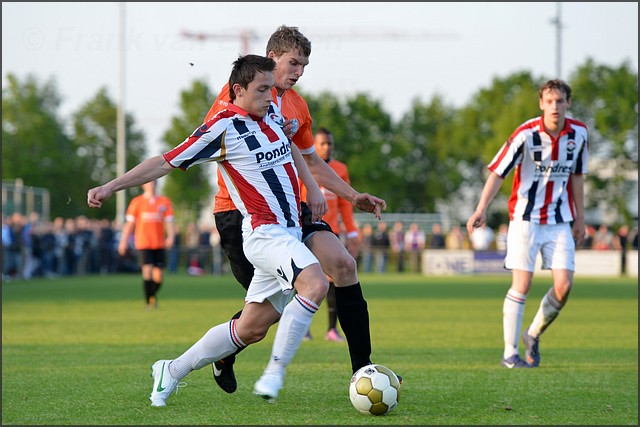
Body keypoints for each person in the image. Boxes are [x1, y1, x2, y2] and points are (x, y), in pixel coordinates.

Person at [87, 54, 334, 406]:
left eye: (270, 89)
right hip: (265, 234)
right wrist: (111, 186)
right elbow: (165, 161)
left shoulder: (272, 114)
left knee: (251, 329)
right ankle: (274, 373)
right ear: (238, 90)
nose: (270, 96)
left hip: (289, 233)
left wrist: (310, 186)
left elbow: (292, 149)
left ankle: (171, 369)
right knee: (316, 282)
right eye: (262, 89)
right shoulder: (223, 127)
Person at [202, 25, 387, 394]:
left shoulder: (298, 105)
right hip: (239, 215)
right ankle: (224, 353)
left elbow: (311, 161)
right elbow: (208, 142)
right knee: (262, 318)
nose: (298, 71)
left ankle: (364, 372)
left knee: (344, 265)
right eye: (293, 63)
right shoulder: (236, 96)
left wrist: (352, 196)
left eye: (304, 65)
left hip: (289, 208)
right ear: (271, 59)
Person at [466, 79, 588, 369]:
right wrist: (481, 208)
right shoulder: (526, 133)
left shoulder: (580, 133)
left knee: (564, 286)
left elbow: (578, 176)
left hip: (560, 220)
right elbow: (498, 172)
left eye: (560, 101)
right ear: (541, 104)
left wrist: (580, 217)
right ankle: (510, 354)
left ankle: (532, 334)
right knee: (523, 282)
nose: (555, 107)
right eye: (549, 101)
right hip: (524, 219)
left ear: (568, 103)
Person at [300, 127, 361, 342]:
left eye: (329, 143)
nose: (326, 147)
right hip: (306, 230)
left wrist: (352, 232)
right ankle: (303, 329)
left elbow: (345, 204)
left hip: (331, 231)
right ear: (313, 146)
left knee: (334, 280)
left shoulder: (340, 169)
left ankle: (331, 330)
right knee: (307, 280)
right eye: (322, 144)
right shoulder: (303, 165)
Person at [118, 180, 175, 309]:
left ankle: (151, 296)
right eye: (148, 183)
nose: (151, 185)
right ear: (143, 185)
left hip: (159, 243)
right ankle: (149, 302)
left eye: (153, 182)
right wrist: (123, 241)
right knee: (147, 271)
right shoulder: (137, 202)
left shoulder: (164, 201)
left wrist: (170, 236)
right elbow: (130, 224)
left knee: (158, 276)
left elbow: (169, 221)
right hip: (144, 243)